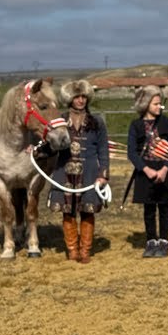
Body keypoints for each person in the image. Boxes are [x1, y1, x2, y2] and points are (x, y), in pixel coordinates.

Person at [47, 79, 109, 264]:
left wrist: (103, 174)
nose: (81, 100)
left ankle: (85, 250)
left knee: (87, 211)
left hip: (89, 172)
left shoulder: (96, 122)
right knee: (68, 212)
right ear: (70, 99)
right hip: (64, 171)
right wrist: (35, 150)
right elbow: (50, 145)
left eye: (83, 96)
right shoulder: (60, 121)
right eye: (76, 97)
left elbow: (103, 149)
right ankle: (72, 249)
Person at [127, 86, 168, 258]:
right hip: (146, 171)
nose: (160, 107)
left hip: (165, 170)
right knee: (149, 208)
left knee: (164, 207)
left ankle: (163, 241)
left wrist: (165, 168)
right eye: (156, 104)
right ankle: (151, 241)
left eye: (160, 103)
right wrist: (146, 169)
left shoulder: (167, 122)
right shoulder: (135, 126)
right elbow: (132, 152)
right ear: (145, 104)